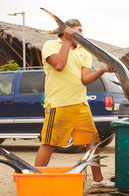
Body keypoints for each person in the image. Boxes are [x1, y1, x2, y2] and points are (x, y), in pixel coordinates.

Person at [35, 18, 115, 187]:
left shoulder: (84, 52)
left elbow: (85, 79)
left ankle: (98, 180)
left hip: (81, 104)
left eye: (81, 30)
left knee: (93, 142)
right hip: (58, 103)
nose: (81, 34)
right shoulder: (51, 45)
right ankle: (35, 179)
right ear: (66, 31)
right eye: (77, 30)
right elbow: (58, 65)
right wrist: (66, 41)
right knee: (49, 143)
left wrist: (102, 70)